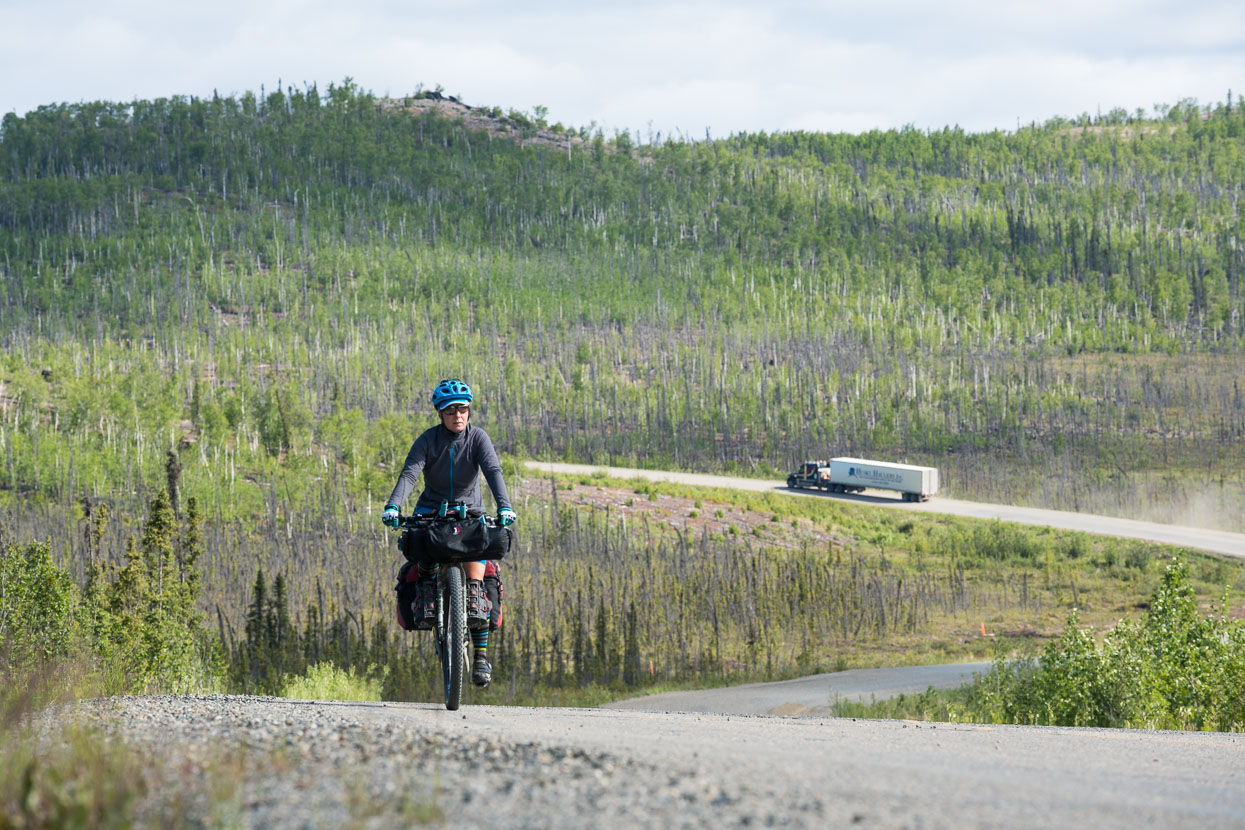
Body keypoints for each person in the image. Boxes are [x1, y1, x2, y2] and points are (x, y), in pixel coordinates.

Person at [381, 378, 516, 687]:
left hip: (471, 515)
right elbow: (410, 473)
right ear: (439, 413)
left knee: (475, 589)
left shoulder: (478, 438)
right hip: (431, 514)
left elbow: (493, 471)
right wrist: (393, 505)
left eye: (464, 409)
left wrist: (504, 506)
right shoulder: (428, 440)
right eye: (451, 410)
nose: (459, 416)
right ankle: (428, 599)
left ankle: (480, 658)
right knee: (423, 557)